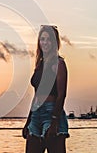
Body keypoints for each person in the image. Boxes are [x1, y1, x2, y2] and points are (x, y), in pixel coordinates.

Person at [23, 25, 70, 153]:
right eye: (42, 39)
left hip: (52, 113)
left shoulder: (59, 64)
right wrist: (28, 121)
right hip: (36, 115)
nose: (45, 42)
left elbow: (61, 95)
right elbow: (36, 96)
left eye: (49, 39)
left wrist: (54, 123)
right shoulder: (39, 64)